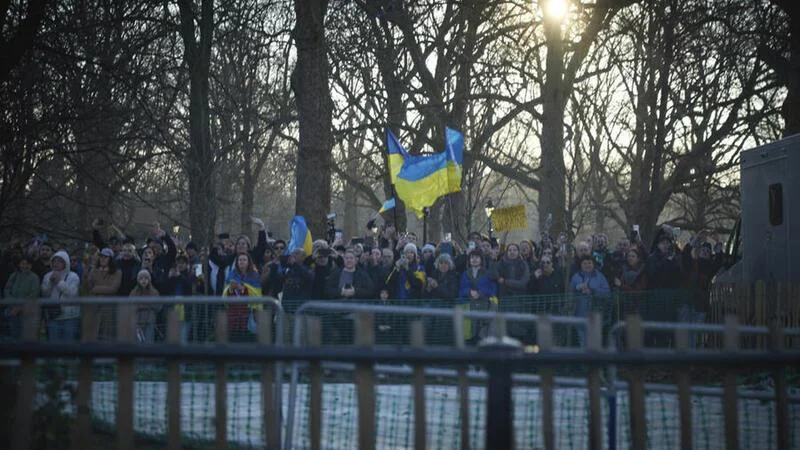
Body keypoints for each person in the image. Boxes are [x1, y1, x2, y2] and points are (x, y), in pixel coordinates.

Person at [569, 255, 611, 349]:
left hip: (596, 314)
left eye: (589, 263)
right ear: (580, 265)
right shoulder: (576, 277)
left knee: (594, 343)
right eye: (584, 263)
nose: (587, 265)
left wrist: (592, 291)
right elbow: (569, 292)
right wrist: (576, 288)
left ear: (593, 264)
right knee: (582, 341)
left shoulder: (600, 277)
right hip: (579, 315)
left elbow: (607, 293)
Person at [41, 250, 81, 342]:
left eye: (59, 261)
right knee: (54, 344)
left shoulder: (73, 276)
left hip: (69, 316)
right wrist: (51, 283)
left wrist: (59, 282)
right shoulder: (47, 276)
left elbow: (72, 294)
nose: (56, 263)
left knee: (68, 344)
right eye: (54, 261)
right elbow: (44, 294)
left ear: (66, 263)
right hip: (52, 315)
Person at [458, 250, 498, 342]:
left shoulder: (488, 274)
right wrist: (469, 292)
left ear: (481, 260)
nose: (474, 259)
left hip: (485, 306)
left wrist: (480, 293)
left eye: (477, 257)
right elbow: (460, 290)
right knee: (470, 336)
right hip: (469, 308)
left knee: (483, 334)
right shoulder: (465, 274)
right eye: (472, 257)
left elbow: (493, 290)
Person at [222, 252, 263, 342]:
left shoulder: (255, 275)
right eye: (240, 260)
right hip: (234, 311)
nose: (242, 262)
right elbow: (225, 291)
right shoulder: (232, 274)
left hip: (249, 311)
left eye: (244, 260)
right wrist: (231, 288)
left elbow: (257, 293)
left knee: (249, 338)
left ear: (248, 262)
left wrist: (244, 287)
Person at [3, 255, 40, 339]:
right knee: (14, 334)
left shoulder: (34, 277)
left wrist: (20, 307)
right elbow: (7, 289)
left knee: (26, 336)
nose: (25, 266)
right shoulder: (14, 275)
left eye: (27, 264)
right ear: (19, 264)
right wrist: (13, 305)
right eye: (23, 263)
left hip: (27, 312)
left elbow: (34, 293)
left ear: (31, 265)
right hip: (12, 310)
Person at [129, 270, 161, 343]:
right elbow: (130, 306)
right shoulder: (134, 292)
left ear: (149, 279)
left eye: (146, 278)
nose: (143, 280)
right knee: (138, 343)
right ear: (138, 280)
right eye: (141, 278)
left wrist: (141, 305)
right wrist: (148, 304)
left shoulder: (154, 292)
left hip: (150, 321)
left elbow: (158, 306)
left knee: (149, 343)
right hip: (137, 322)